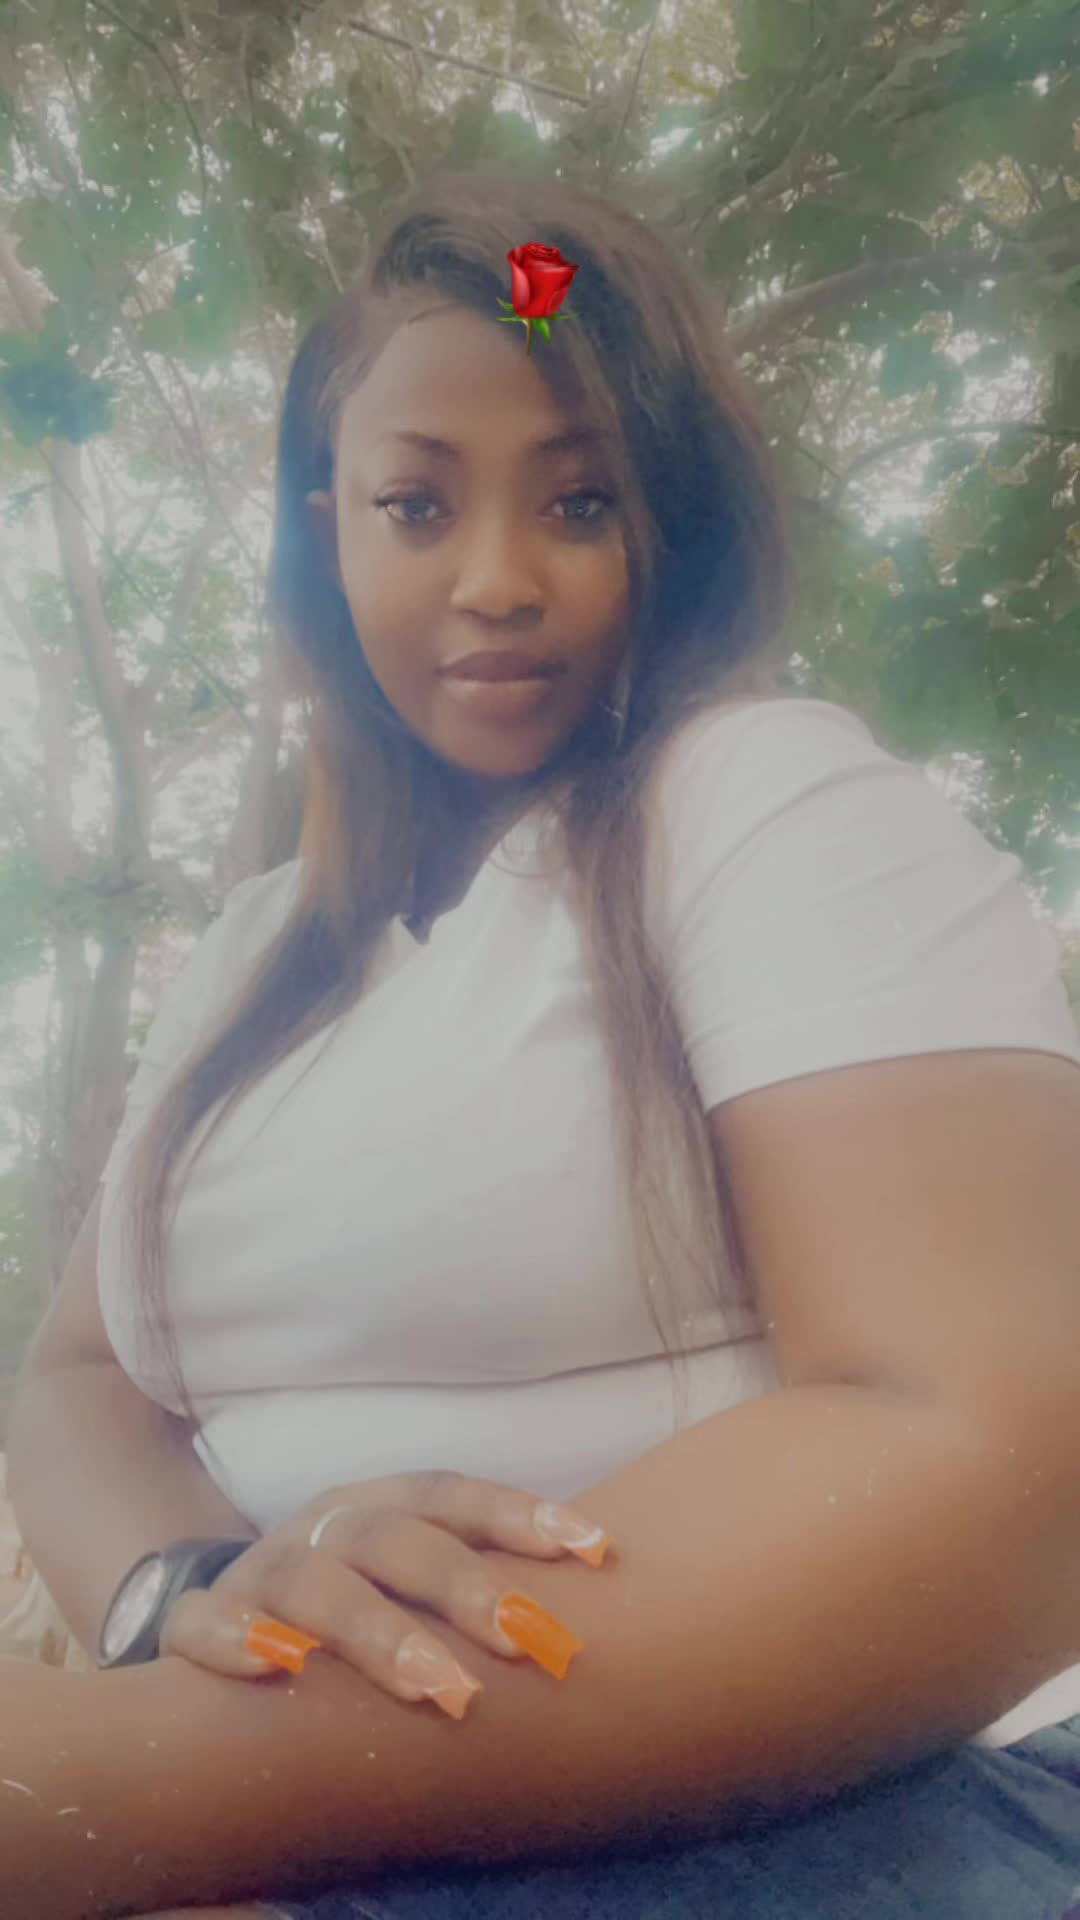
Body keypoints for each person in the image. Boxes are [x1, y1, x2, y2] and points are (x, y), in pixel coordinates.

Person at [5, 169, 1080, 1920]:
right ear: (326, 531)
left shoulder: (763, 802)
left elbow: (989, 1453)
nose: (499, 580)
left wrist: (132, 1781)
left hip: (874, 1796)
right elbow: (74, 1387)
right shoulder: (248, 957)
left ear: (668, 528)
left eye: (579, 500)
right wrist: (183, 1603)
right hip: (318, 1811)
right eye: (418, 505)